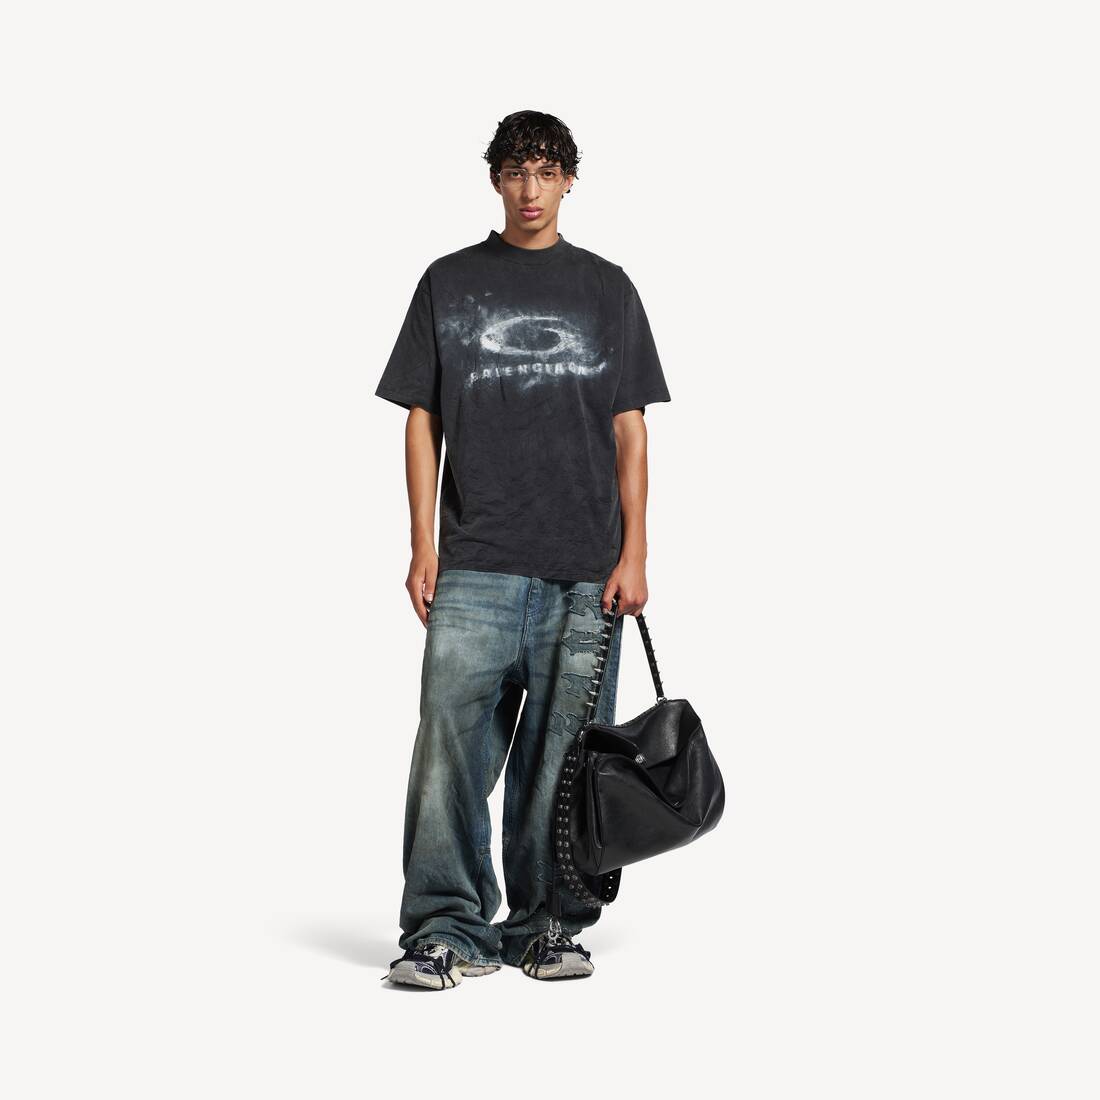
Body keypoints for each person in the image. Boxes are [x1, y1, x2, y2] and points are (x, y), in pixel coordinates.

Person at [375, 110, 671, 989]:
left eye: (546, 171)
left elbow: (630, 429)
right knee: (448, 755)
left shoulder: (608, 288)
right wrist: (423, 543)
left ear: (569, 180)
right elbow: (421, 419)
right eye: (515, 171)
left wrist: (636, 552)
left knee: (564, 762)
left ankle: (546, 926)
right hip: (476, 561)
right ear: (495, 180)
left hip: (586, 568)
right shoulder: (449, 282)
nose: (530, 189)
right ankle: (444, 928)